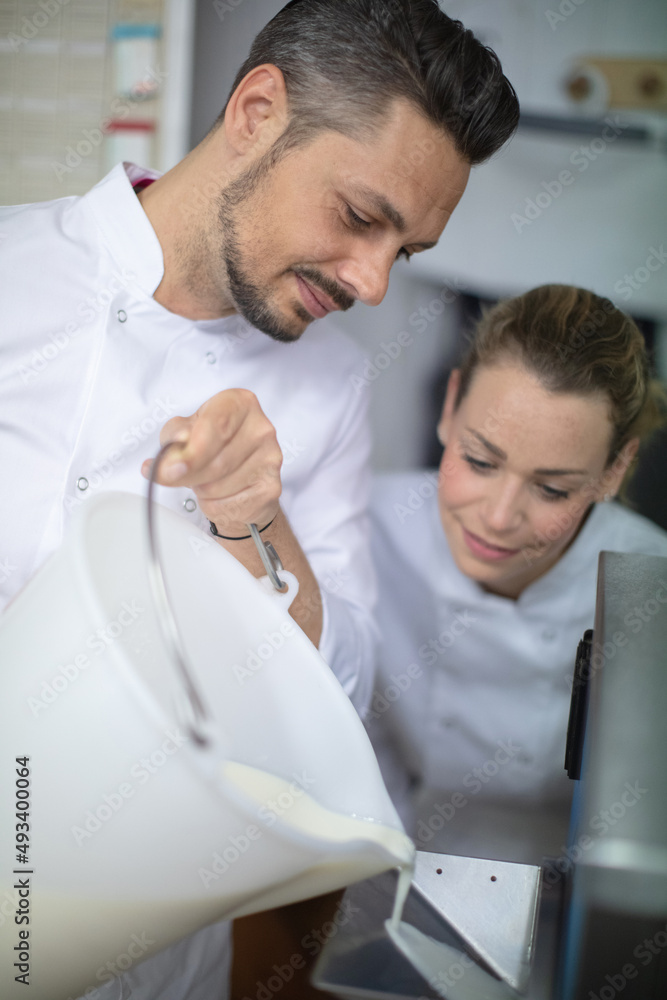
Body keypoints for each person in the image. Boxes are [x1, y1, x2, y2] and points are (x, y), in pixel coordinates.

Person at [0, 1, 519, 997]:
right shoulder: (14, 273)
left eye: (403, 251)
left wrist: (256, 526)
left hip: (136, 957)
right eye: (362, 216)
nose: (373, 283)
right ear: (256, 110)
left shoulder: (329, 389)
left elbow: (340, 695)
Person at [367, 284, 667, 866]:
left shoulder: (649, 587)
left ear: (615, 470)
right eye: (480, 461)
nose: (499, 518)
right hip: (383, 862)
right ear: (451, 407)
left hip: (563, 889)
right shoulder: (362, 525)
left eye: (552, 488)